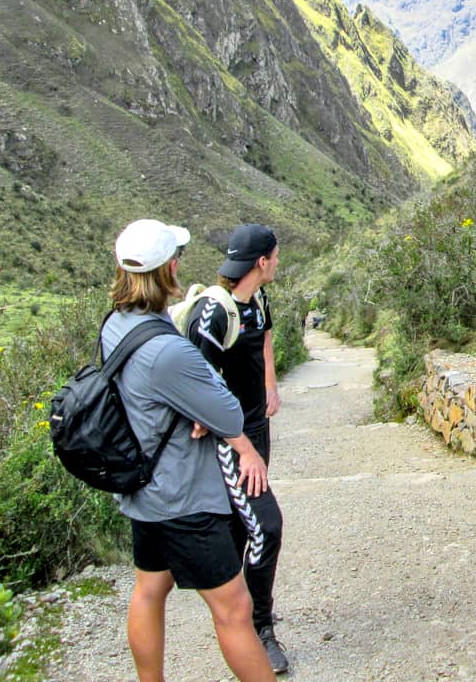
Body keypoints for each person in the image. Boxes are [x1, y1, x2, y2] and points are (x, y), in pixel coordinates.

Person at [107, 218, 274, 682]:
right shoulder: (168, 350)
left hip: (146, 488)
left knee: (149, 588)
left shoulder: (117, 325)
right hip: (183, 497)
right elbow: (225, 411)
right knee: (235, 609)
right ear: (170, 268)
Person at [185, 223, 288, 674]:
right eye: (276, 257)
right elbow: (193, 377)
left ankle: (236, 621)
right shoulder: (214, 311)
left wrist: (269, 384)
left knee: (241, 528)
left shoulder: (257, 300)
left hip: (255, 428)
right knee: (266, 526)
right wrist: (231, 438)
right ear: (261, 262)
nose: (278, 263)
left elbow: (264, 337)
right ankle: (257, 630)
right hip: (231, 439)